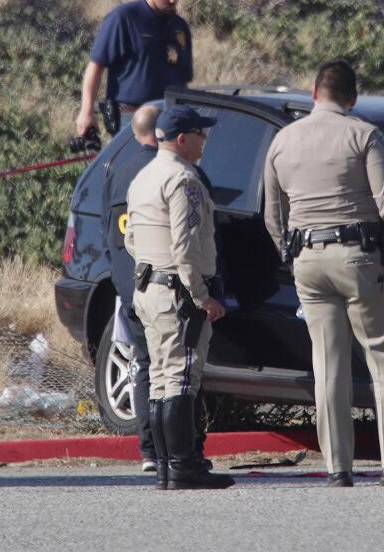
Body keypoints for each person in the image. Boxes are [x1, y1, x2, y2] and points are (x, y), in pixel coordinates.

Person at [262, 60, 384, 488]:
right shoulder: (363, 135)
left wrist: (290, 257)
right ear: (354, 98)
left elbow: (272, 214)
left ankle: (337, 468)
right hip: (359, 258)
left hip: (307, 258)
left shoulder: (282, 140)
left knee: (327, 365)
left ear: (313, 92)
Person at [125, 105, 234, 490]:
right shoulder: (183, 180)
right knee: (182, 377)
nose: (205, 142)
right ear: (183, 139)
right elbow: (185, 244)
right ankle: (184, 465)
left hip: (149, 287)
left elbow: (131, 238)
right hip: (177, 293)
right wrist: (200, 294)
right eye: (200, 135)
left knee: (159, 378)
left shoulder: (143, 177)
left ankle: (165, 467)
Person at [75, 0, 193, 139]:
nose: (172, 0)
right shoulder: (124, 18)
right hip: (131, 118)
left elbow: (184, 79)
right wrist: (86, 112)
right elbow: (96, 66)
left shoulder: (180, 26)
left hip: (170, 120)